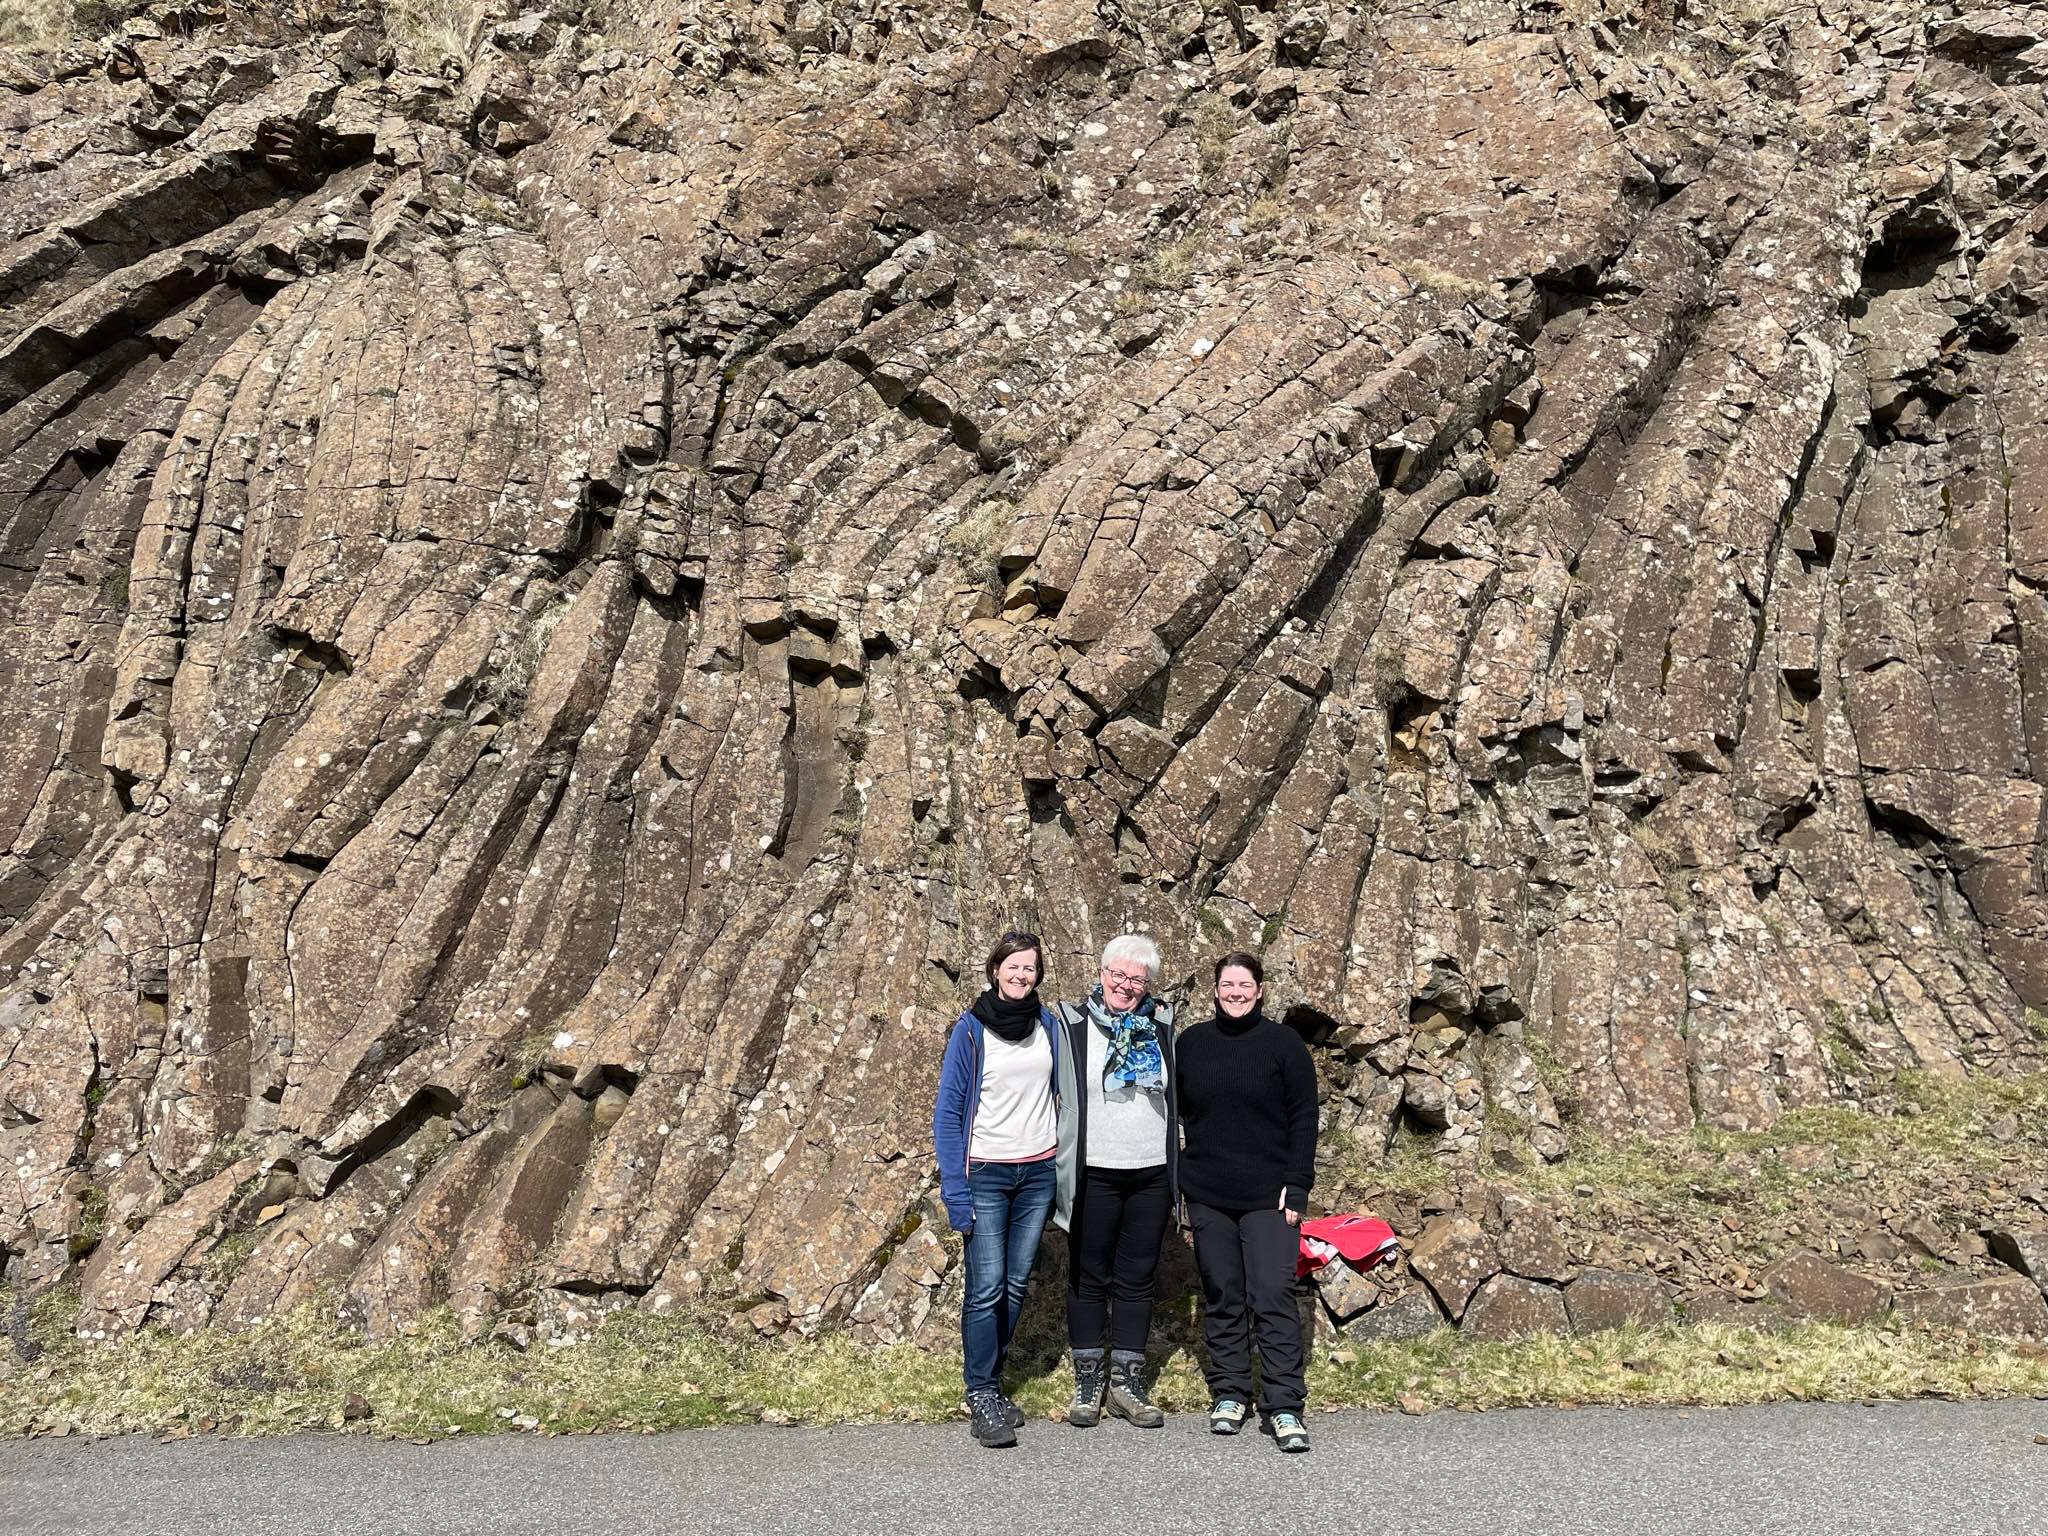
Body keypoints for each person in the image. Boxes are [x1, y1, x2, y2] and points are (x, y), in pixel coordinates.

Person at [1176, 951, 1318, 1453]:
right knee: (1223, 1293)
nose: (1235, 993)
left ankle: (1284, 1404)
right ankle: (1231, 1392)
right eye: (1227, 985)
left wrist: (1297, 1184)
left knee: (1272, 1293)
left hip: (1269, 1196)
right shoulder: (1191, 1044)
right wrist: (1180, 1181)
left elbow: (1304, 1116)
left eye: (1244, 985)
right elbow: (1176, 1113)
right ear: (1215, 990)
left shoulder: (1284, 1045)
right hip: (1208, 1193)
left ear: (1259, 990)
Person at [933, 931, 1070, 1449]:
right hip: (986, 1173)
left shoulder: (1047, 1026)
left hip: (1037, 1174)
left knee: (1014, 1286)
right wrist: (955, 1191)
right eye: (1012, 966)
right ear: (995, 971)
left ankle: (991, 1380)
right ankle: (982, 1392)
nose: (1020, 975)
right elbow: (948, 1114)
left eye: (1029, 968)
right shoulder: (970, 1031)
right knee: (986, 1287)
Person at [1049, 933, 1179, 1429]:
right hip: (1094, 1169)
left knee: (1137, 1278)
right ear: (1101, 974)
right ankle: (1088, 1383)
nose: (1125, 985)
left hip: (1151, 1170)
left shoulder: (1162, 1026)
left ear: (1148, 985)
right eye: (1117, 975)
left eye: (1136, 979)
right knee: (1088, 1276)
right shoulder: (1072, 1025)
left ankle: (1127, 1384)